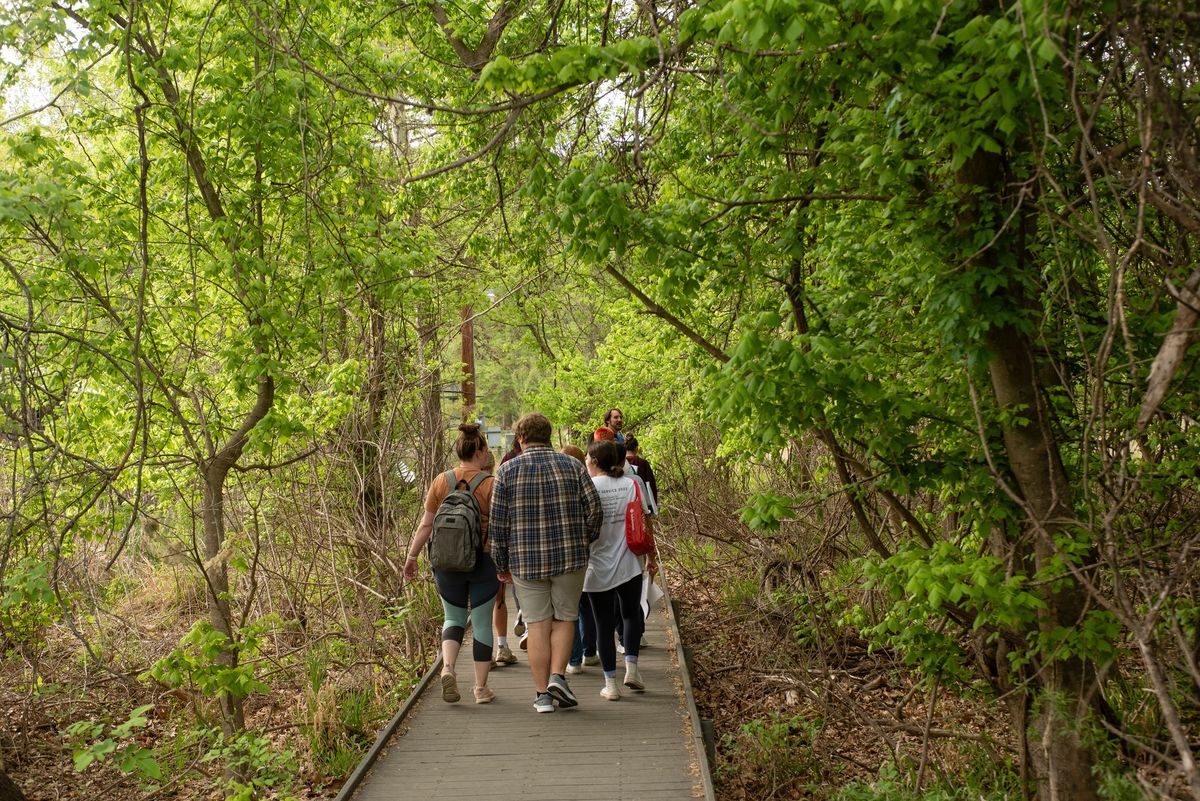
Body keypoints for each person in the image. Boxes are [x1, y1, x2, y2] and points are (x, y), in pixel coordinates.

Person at [489, 413, 603, 713]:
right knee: (565, 618)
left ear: (521, 439)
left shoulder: (507, 472)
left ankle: (542, 696)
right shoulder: (573, 466)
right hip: (570, 557)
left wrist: (501, 564)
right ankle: (558, 676)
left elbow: (498, 525)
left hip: (526, 562)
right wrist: (583, 539)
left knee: (537, 625)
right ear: (549, 435)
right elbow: (595, 510)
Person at [403, 423, 499, 705]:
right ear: (480, 452)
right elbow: (500, 528)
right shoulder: (491, 484)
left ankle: (448, 668)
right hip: (482, 561)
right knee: (481, 624)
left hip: (445, 561)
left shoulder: (440, 481)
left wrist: (411, 557)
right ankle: (481, 689)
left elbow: (426, 525)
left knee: (453, 619)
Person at [583, 438, 655, 701]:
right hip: (629, 562)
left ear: (594, 461)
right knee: (630, 615)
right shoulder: (631, 484)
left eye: (588, 459)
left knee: (603, 624)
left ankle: (610, 684)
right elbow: (644, 520)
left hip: (596, 565)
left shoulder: (587, 486)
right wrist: (651, 554)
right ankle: (633, 670)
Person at [560, 445, 599, 674]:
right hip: (591, 553)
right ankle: (590, 652)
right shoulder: (588, 483)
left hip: (571, 556)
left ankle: (573, 660)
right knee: (587, 608)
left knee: (570, 610)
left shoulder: (562, 485)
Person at [624, 435, 659, 512]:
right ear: (636, 448)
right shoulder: (643, 463)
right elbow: (650, 484)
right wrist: (652, 505)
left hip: (626, 503)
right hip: (643, 502)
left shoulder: (621, 464)